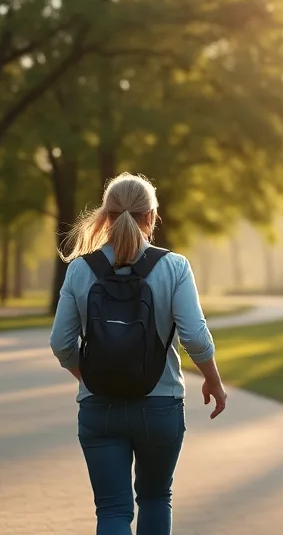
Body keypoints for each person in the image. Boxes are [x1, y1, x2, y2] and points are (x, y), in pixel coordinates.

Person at [50, 173, 228, 535]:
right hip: (159, 407)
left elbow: (61, 343)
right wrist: (214, 381)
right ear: (151, 217)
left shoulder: (80, 269)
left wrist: (88, 377)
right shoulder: (174, 267)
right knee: (155, 497)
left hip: (100, 408)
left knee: (113, 510)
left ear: (105, 217)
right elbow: (195, 336)